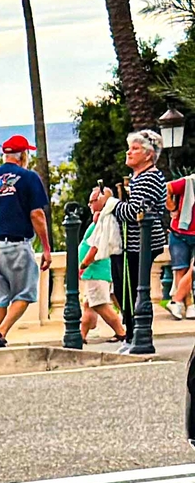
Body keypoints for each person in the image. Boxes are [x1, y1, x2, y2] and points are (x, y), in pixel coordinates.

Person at [0, 133, 50, 349]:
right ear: (23, 155)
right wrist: (45, 247)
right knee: (25, 292)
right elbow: (37, 215)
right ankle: (1, 331)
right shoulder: (28, 178)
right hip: (15, 244)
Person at [121, 128, 169, 318]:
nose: (129, 152)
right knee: (127, 290)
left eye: (135, 148)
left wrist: (109, 203)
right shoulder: (138, 178)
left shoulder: (148, 178)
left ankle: (136, 333)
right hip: (136, 242)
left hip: (141, 243)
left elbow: (135, 211)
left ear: (149, 155)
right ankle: (133, 333)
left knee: (134, 290)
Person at [76, 183, 128, 345]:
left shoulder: (104, 220)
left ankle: (121, 331)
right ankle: (81, 335)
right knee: (89, 304)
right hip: (96, 270)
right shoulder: (101, 219)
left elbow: (96, 246)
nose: (90, 205)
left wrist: (84, 264)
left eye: (92, 201)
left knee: (99, 304)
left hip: (95, 270)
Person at [166, 170, 195, 320]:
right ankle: (188, 305)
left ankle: (176, 301)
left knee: (192, 269)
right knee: (180, 270)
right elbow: (167, 188)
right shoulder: (189, 182)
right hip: (179, 231)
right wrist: (172, 206)